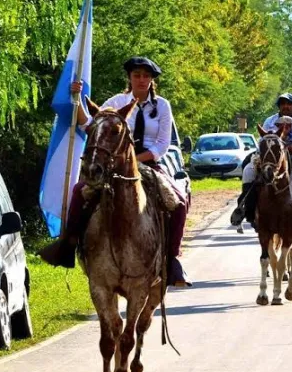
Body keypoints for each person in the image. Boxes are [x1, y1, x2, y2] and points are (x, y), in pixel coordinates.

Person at [39, 56, 191, 287]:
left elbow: (161, 144)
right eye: (137, 75)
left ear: (152, 80)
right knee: (80, 192)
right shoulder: (116, 101)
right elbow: (89, 125)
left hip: (148, 164)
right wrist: (76, 98)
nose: (142, 80)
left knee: (178, 202)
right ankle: (69, 244)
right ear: (130, 78)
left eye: (146, 76)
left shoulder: (162, 106)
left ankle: (171, 260)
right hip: (113, 165)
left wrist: (134, 159)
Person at [230, 93, 292, 231]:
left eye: (288, 104)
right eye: (283, 104)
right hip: (272, 156)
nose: (286, 106)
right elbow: (262, 140)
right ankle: (245, 208)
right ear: (279, 106)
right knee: (248, 170)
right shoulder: (270, 121)